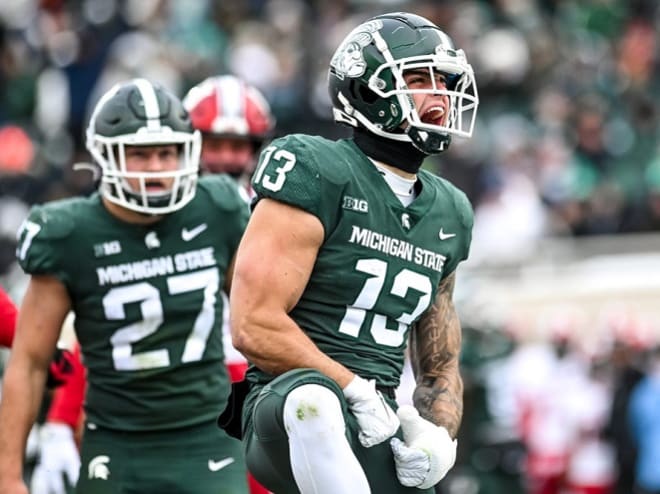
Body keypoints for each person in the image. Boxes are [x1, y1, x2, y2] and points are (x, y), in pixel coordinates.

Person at [227, 11, 479, 494]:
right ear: (368, 89)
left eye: (445, 81)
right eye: (419, 78)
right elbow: (253, 324)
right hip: (284, 407)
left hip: (378, 418)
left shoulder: (450, 211)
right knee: (314, 403)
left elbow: (440, 360)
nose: (440, 95)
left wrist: (438, 436)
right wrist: (352, 387)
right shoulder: (316, 167)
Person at [0, 78, 250, 494]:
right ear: (105, 156)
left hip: (208, 436)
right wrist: (8, 478)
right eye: (139, 154)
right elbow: (29, 363)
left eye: (166, 153)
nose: (156, 168)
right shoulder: (70, 233)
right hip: (117, 442)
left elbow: (256, 321)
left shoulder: (218, 208)